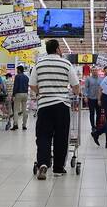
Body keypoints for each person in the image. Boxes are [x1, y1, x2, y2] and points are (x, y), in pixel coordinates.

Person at [31, 39, 79, 179]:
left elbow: (32, 85)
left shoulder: (39, 64)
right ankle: (58, 167)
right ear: (57, 49)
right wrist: (76, 93)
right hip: (62, 106)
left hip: (44, 106)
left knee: (43, 136)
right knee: (61, 137)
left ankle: (43, 164)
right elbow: (75, 85)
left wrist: (42, 93)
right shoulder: (66, 63)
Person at [8, 65, 30, 130]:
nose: (16, 71)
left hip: (18, 94)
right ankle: (24, 125)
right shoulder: (26, 77)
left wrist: (13, 95)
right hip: (25, 94)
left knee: (16, 110)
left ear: (19, 70)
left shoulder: (17, 76)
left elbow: (16, 86)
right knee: (24, 110)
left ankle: (15, 124)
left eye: (17, 70)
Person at [84, 68, 101, 135]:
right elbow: (86, 88)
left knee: (99, 113)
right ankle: (93, 127)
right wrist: (85, 96)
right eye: (93, 70)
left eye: (95, 70)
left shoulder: (100, 79)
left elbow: (102, 88)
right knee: (92, 113)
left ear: (97, 71)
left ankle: (97, 125)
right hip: (91, 98)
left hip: (99, 99)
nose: (94, 71)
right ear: (91, 71)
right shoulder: (88, 79)